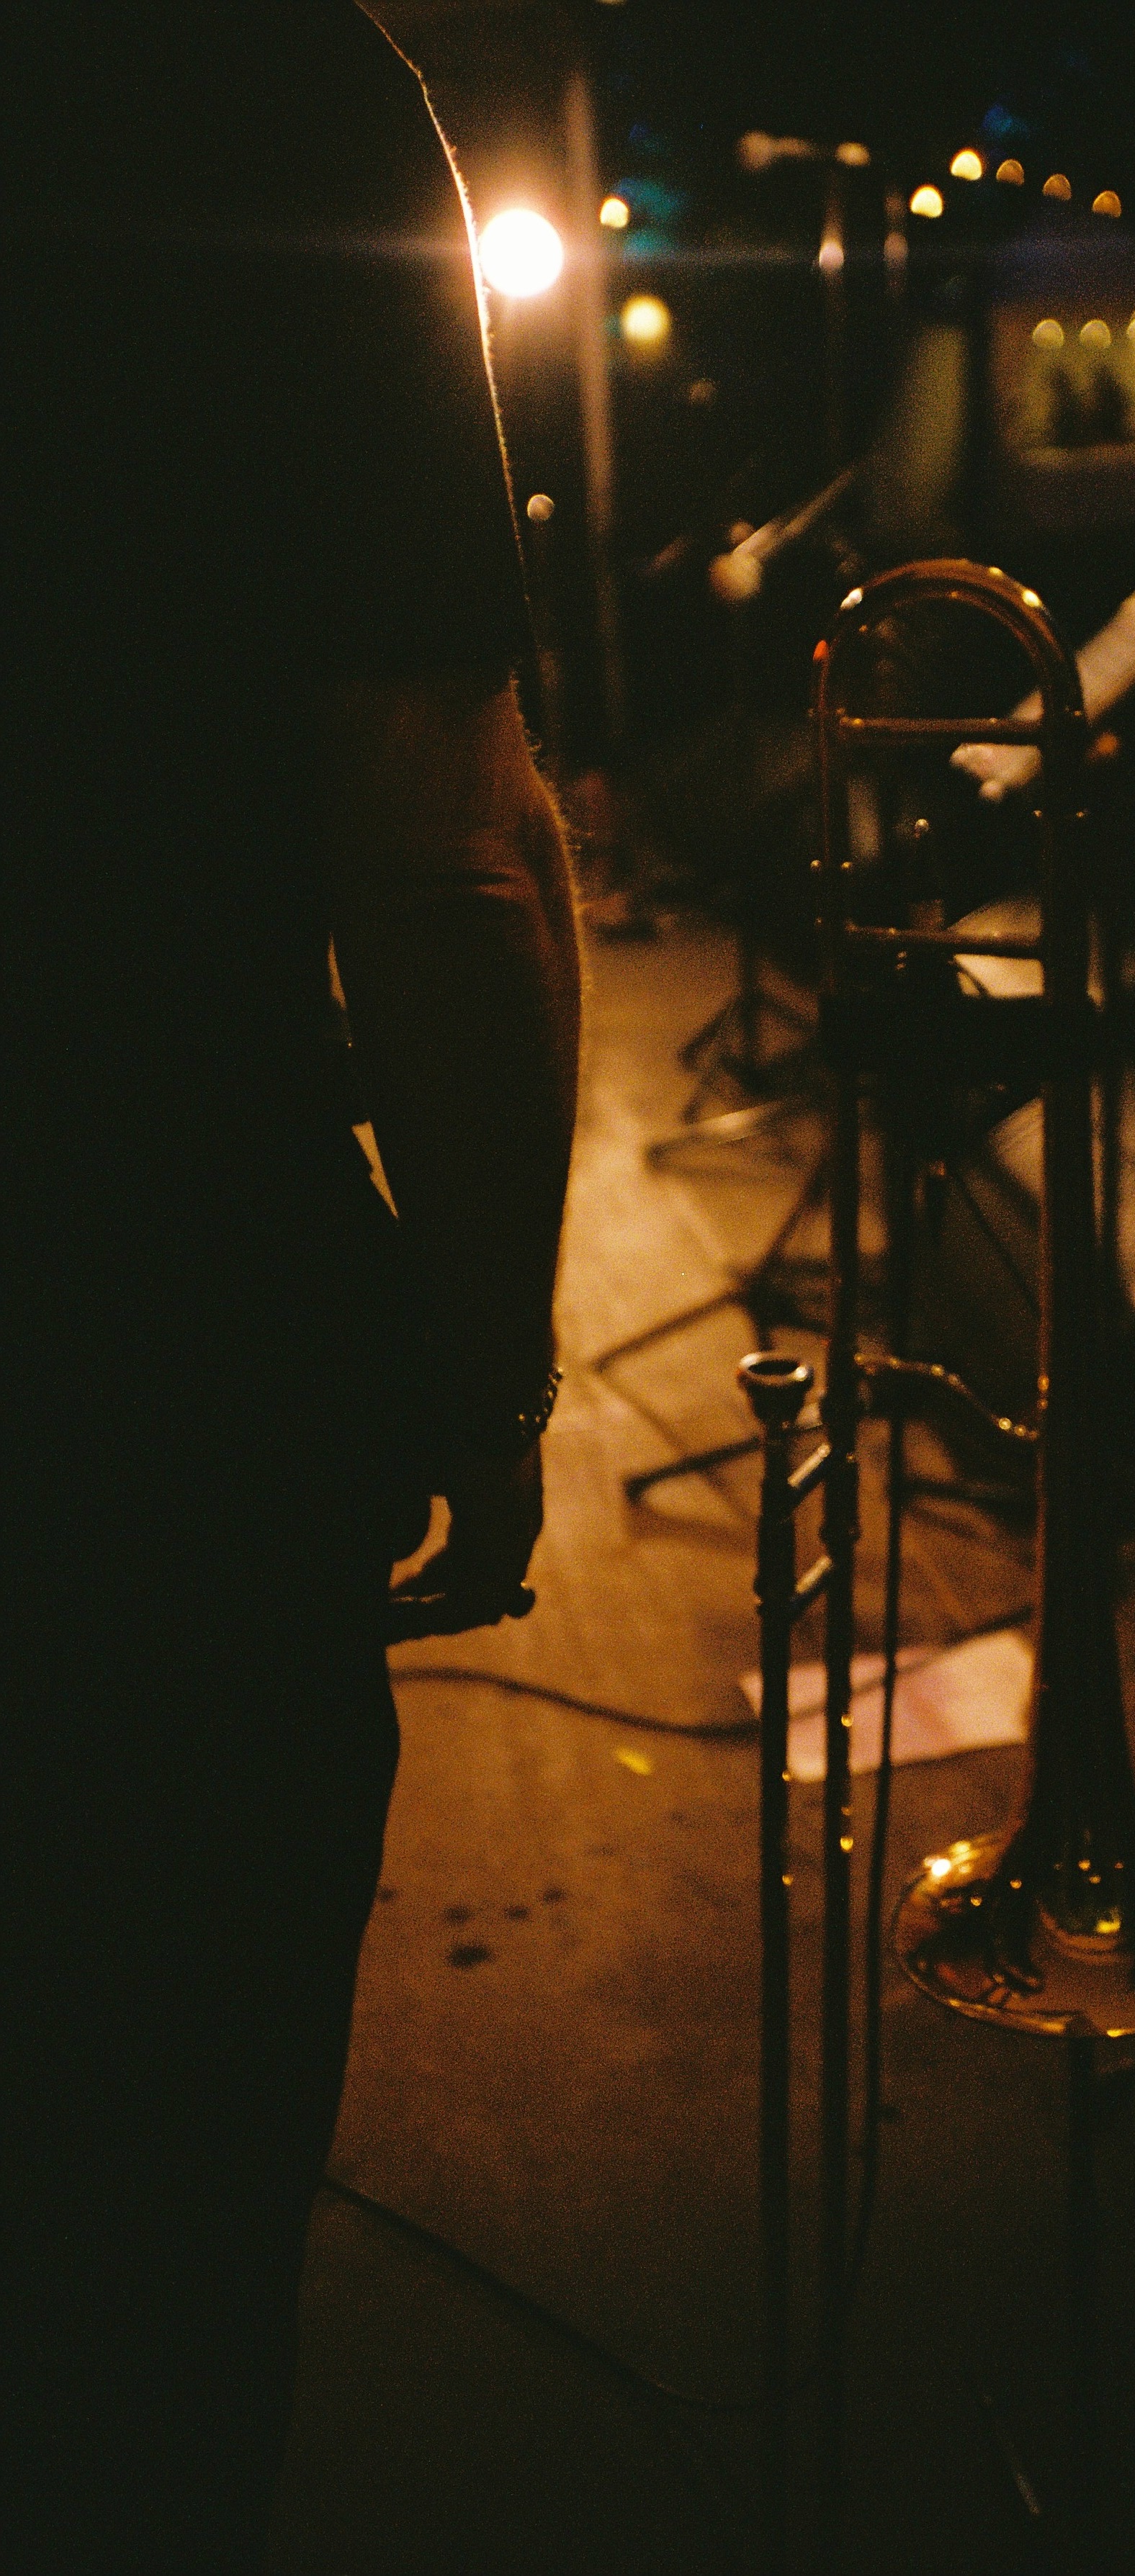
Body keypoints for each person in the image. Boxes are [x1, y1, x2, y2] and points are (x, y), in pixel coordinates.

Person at [1, 6, 580, 2567]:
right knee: (138, 2274)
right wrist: (485, 1370)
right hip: (151, 1356)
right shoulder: (255, 82)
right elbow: (442, 848)